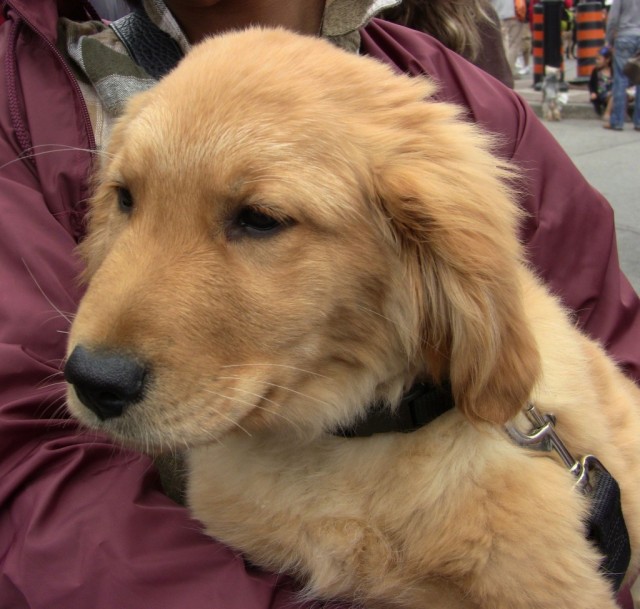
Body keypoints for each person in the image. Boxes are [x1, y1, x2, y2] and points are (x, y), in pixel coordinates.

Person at [1, 1, 639, 608]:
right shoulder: (25, 86)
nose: (103, 341)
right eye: (128, 199)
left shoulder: (449, 99)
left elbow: (611, 330)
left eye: (259, 217)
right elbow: (26, 474)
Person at [380, 0, 514, 87]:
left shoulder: (386, 15)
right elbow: (502, 82)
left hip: (436, 119)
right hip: (482, 118)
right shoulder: (482, 12)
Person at [605, 0, 640, 130]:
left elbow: (613, 18)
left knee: (621, 79)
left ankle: (617, 121)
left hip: (624, 36)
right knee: (639, 79)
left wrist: (609, 40)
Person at [590, 45, 614, 119]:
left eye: (599, 59)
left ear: (607, 60)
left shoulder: (613, 71)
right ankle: (607, 113)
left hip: (612, 92)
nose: (597, 61)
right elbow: (591, 84)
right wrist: (593, 92)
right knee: (615, 95)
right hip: (602, 94)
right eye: (596, 59)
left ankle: (622, 113)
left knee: (621, 94)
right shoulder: (596, 71)